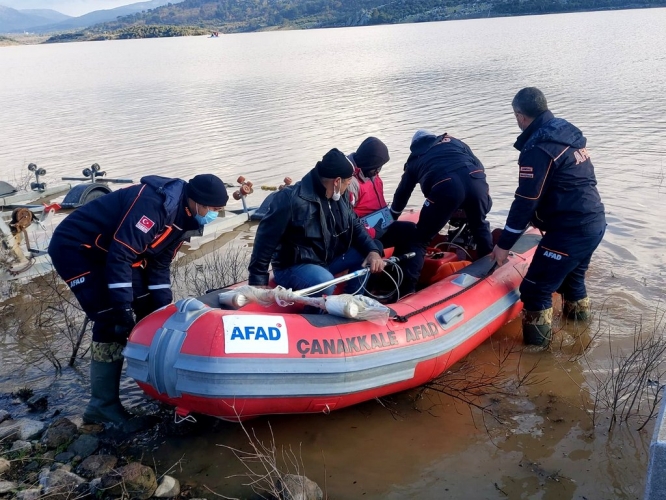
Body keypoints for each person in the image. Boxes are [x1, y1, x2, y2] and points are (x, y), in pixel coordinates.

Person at [48, 174, 228, 427]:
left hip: (111, 252)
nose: (213, 215)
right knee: (110, 321)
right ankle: (102, 406)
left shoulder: (186, 218)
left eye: (220, 211)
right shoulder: (155, 205)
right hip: (78, 248)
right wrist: (121, 306)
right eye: (212, 209)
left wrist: (166, 310)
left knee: (149, 308)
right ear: (196, 201)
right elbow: (122, 254)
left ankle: (157, 388)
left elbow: (159, 265)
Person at [490, 87, 606, 346]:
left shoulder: (538, 148)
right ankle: (581, 337)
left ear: (520, 116)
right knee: (573, 281)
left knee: (535, 290)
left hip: (570, 230)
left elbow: (526, 200)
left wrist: (504, 244)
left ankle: (537, 358)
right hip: (595, 221)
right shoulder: (565, 132)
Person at [248, 148, 385, 296]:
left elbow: (355, 225)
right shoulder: (290, 199)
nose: (347, 188)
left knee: (373, 248)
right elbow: (265, 239)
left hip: (327, 260)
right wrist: (258, 279)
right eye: (347, 182)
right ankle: (314, 313)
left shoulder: (340, 196)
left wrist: (373, 251)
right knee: (324, 280)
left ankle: (352, 299)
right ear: (337, 182)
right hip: (294, 266)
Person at [389, 129, 493, 295]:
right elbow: (478, 165)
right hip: (475, 180)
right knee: (480, 226)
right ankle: (490, 272)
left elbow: (403, 192)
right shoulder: (455, 141)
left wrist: (392, 217)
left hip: (445, 186)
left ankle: (407, 291)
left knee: (420, 239)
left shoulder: (415, 158)